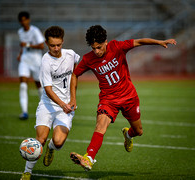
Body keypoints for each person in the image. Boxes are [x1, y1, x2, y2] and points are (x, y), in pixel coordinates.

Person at [69, 25, 177, 171]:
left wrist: (159, 42)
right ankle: (89, 158)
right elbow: (75, 74)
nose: (97, 51)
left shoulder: (117, 46)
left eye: (99, 47)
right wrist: (73, 98)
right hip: (108, 100)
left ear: (106, 42)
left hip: (129, 97)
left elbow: (139, 42)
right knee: (100, 125)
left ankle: (128, 134)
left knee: (138, 131)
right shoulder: (88, 59)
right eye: (93, 48)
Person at [20, 26, 80, 180]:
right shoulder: (46, 61)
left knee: (58, 142)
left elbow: (77, 72)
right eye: (52, 45)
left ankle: (51, 148)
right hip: (48, 105)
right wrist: (63, 104)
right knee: (40, 140)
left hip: (66, 107)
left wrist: (73, 99)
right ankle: (27, 172)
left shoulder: (71, 54)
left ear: (62, 41)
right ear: (47, 43)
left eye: (59, 44)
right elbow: (48, 90)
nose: (56, 48)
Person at [17, 11, 44, 120]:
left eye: (25, 20)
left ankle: (44, 110)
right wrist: (20, 54)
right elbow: (23, 46)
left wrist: (27, 45)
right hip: (25, 60)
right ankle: (24, 112)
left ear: (28, 20)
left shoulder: (35, 31)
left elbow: (42, 46)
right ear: (20, 22)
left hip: (36, 61)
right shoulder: (20, 32)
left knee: (39, 86)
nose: (24, 22)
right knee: (23, 85)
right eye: (21, 20)